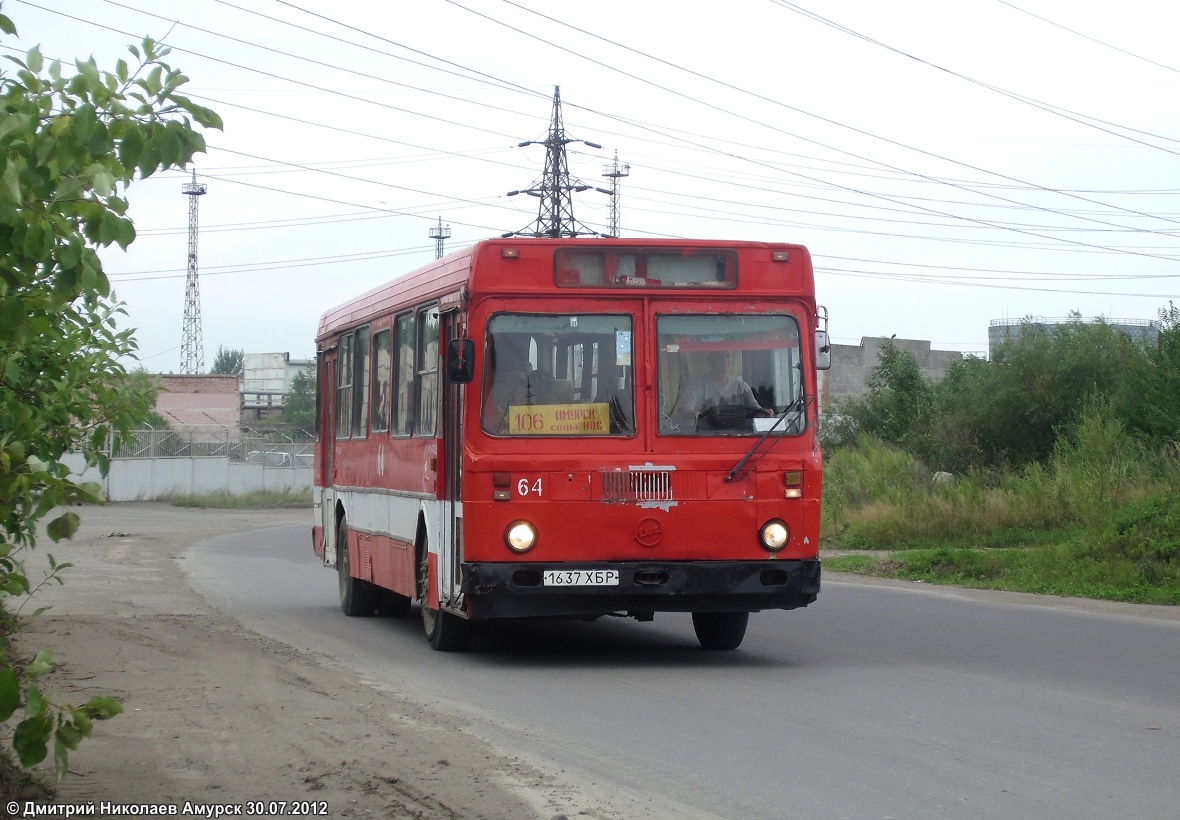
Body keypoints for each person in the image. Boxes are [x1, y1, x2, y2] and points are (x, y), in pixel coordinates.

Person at [679, 350, 769, 425]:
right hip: (705, 436)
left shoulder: (741, 388)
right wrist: (693, 414)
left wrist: (766, 413)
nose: (725, 360)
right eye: (720, 357)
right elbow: (684, 412)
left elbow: (758, 412)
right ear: (710, 360)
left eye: (728, 356)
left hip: (739, 435)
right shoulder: (696, 385)